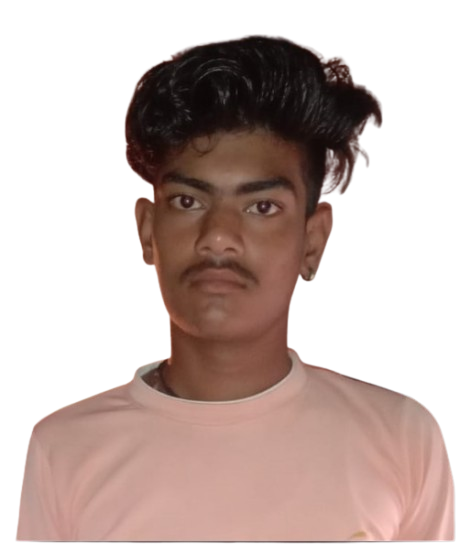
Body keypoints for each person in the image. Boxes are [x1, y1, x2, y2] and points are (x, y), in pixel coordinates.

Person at [17, 35, 454, 541]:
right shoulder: (65, 451)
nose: (218, 236)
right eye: (188, 201)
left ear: (312, 241)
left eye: (262, 207)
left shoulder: (401, 440)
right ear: (148, 231)